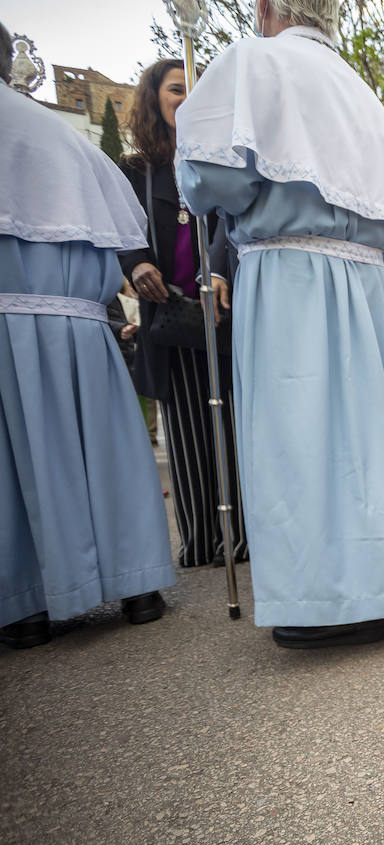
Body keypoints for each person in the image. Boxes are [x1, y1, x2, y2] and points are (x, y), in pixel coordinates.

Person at [173, 0, 384, 649]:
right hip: (366, 284)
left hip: (289, 273)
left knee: (296, 432)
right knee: (364, 438)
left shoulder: (253, 60)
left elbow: (212, 179)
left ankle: (320, 599)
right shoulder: (360, 92)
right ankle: (378, 588)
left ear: (265, 8)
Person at [0, 22, 175, 650]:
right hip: (80, 320)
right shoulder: (63, 139)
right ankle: (137, 585)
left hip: (16, 324)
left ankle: (23, 601)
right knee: (105, 445)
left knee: (19, 461)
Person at [118, 58, 249, 569]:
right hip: (167, 314)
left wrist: (217, 269)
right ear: (154, 99)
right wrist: (136, 263)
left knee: (231, 426)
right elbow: (122, 235)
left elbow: (229, 228)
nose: (186, 99)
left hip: (219, 311)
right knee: (189, 432)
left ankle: (240, 534)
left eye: (195, 91)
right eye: (176, 90)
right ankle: (199, 538)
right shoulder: (134, 170)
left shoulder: (219, 161)